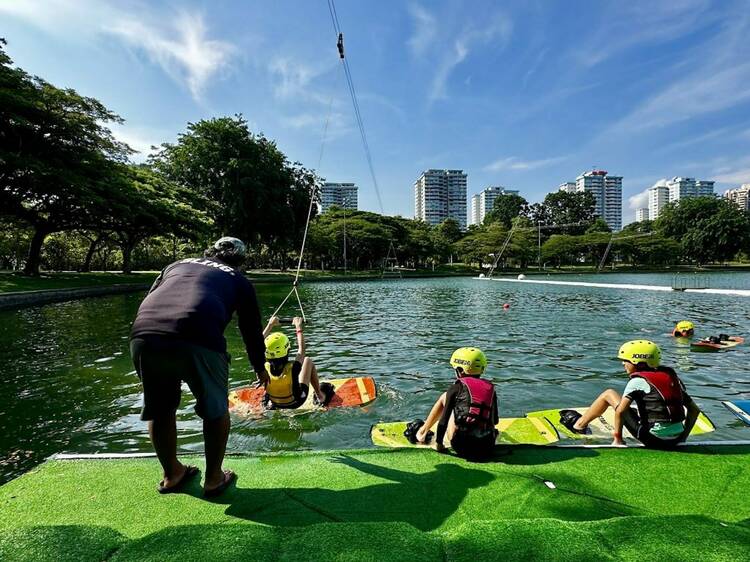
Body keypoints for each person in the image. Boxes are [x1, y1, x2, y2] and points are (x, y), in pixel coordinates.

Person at [130, 237, 269, 497]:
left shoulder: (175, 265)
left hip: (144, 335)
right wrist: (259, 367)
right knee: (215, 409)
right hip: (199, 336)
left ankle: (172, 474)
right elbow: (250, 329)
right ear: (240, 261)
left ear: (210, 251)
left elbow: (152, 297)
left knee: (160, 408)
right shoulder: (238, 280)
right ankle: (214, 478)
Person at [559, 340, 700, 448]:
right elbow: (694, 410)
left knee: (609, 394)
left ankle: (579, 425)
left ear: (637, 362)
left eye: (625, 361)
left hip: (652, 439)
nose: (623, 364)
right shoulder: (672, 378)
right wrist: (683, 438)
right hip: (676, 439)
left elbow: (620, 411)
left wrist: (618, 440)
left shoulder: (637, 381)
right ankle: (672, 433)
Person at [408, 347, 499, 461]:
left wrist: (439, 444)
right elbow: (495, 420)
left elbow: (443, 422)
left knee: (444, 397)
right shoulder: (490, 389)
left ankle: (422, 433)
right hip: (487, 446)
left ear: (460, 370)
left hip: (461, 446)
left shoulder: (455, 388)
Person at [261, 316, 334, 409]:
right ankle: (320, 395)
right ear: (287, 350)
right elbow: (302, 349)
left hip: (276, 402)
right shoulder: (293, 368)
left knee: (264, 375)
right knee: (307, 360)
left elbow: (254, 348)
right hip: (297, 401)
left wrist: (270, 325)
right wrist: (298, 327)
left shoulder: (261, 367)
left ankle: (270, 398)